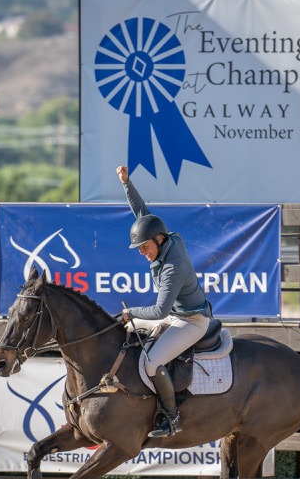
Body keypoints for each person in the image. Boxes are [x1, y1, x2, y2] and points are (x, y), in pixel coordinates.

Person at [116, 165, 212, 438]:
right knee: (123, 330)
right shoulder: (163, 238)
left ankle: (172, 417)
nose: (142, 253)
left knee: (151, 362)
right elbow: (142, 212)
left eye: (144, 247)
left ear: (158, 240)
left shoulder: (173, 266)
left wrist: (131, 312)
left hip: (192, 321)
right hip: (177, 316)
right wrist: (126, 183)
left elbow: (160, 311)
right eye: (140, 248)